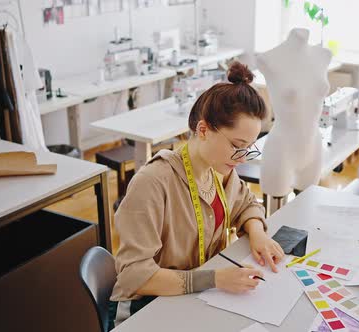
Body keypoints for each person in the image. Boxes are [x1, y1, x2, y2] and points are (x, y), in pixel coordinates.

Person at [108, 62, 285, 328]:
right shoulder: (153, 182)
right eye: (237, 146)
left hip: (195, 296)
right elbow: (134, 275)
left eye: (249, 148)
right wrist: (214, 279)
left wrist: (257, 232)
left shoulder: (219, 170)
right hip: (147, 308)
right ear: (203, 130)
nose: (242, 157)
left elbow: (246, 203)